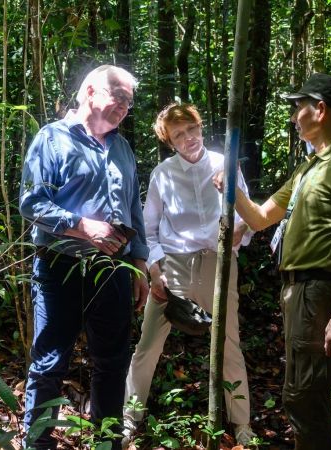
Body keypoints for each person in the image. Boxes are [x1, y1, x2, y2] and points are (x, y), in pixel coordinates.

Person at [214, 73, 331, 450]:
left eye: (298, 107)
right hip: (295, 291)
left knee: (305, 394)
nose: (293, 116)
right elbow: (259, 218)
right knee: (301, 393)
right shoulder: (308, 168)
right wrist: (231, 189)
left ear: (320, 110)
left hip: (320, 289)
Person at [18, 64, 150, 450]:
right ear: (90, 91)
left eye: (129, 102)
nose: (125, 107)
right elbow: (31, 202)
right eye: (119, 97)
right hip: (59, 266)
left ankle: (106, 443)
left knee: (112, 362)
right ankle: (37, 444)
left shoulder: (122, 147)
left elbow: (134, 211)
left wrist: (139, 264)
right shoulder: (52, 139)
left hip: (113, 270)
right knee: (49, 364)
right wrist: (83, 226)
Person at [122, 103, 255, 447]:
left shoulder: (224, 163)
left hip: (218, 264)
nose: (188, 139)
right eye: (178, 135)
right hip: (173, 268)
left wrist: (237, 232)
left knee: (229, 346)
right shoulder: (162, 174)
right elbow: (148, 231)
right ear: (170, 141)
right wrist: (155, 271)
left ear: (200, 127)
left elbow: (247, 218)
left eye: (191, 130)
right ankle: (127, 420)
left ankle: (242, 426)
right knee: (147, 346)